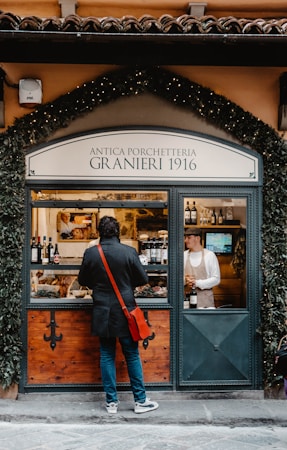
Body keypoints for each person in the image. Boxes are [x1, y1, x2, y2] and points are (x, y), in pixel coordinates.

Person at [78, 215, 159, 415]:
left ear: (99, 232)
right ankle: (140, 401)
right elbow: (142, 278)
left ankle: (111, 403)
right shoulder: (129, 252)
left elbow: (82, 279)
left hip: (102, 310)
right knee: (131, 355)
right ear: (118, 232)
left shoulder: (90, 253)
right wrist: (125, 284)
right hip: (126, 311)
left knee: (106, 355)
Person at [184, 228, 220, 308]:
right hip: (187, 303)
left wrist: (197, 283)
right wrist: (185, 280)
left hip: (206, 303)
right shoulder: (184, 255)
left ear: (198, 238)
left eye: (189, 238)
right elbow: (176, 278)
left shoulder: (210, 255)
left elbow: (216, 279)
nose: (185, 240)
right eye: (185, 238)